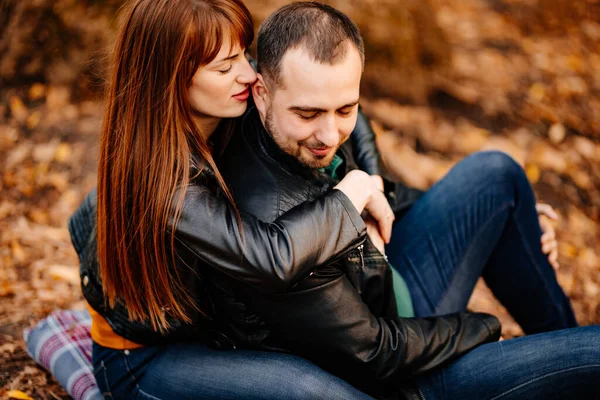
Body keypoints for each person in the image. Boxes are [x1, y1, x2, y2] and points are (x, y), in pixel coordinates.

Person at [208, 2, 600, 399]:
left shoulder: (299, 118)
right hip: (401, 365)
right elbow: (374, 352)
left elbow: (374, 182)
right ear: (260, 93)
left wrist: (508, 227)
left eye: (345, 108)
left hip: (387, 283)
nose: (329, 134)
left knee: (497, 177)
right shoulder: (270, 221)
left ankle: (561, 346)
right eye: (308, 114)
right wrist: (479, 327)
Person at [72, 0, 400, 398]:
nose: (248, 73)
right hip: (144, 357)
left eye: (243, 54)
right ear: (172, 79)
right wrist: (354, 191)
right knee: (311, 391)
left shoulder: (227, 106)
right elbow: (269, 258)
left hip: (208, 326)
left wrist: (374, 177)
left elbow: (332, 98)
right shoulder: (169, 185)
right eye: (225, 68)